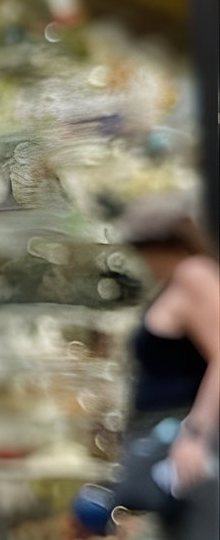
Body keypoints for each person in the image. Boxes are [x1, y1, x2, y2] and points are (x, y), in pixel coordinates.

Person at [75, 213, 219, 538]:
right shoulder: (175, 282)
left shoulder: (194, 273)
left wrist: (195, 434)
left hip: (186, 435)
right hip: (164, 437)